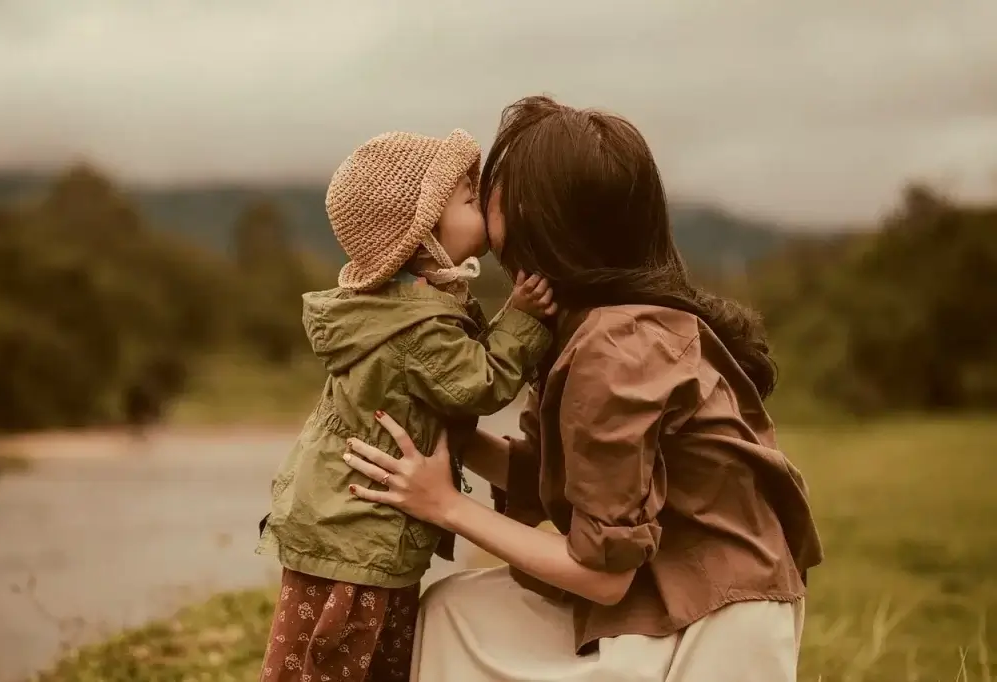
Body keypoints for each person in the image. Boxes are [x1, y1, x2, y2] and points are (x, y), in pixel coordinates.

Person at [342, 96, 825, 682]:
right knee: (453, 613)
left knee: (459, 621)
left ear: (536, 214)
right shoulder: (595, 323)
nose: (479, 206)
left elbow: (601, 570)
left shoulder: (615, 346)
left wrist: (444, 504)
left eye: (488, 192)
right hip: (670, 588)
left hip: (712, 624)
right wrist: (450, 435)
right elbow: (564, 481)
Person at [254, 128, 557, 682]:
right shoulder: (413, 324)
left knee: (367, 658)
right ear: (422, 237)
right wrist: (523, 320)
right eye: (468, 199)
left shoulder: (410, 303)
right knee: (342, 660)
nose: (480, 200)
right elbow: (477, 382)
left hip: (355, 525)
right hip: (356, 534)